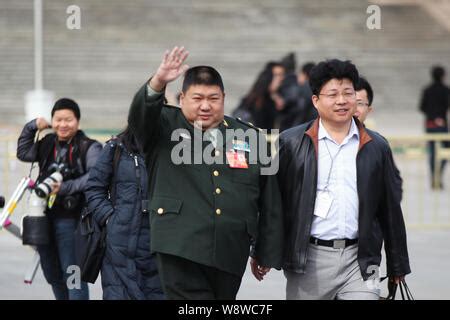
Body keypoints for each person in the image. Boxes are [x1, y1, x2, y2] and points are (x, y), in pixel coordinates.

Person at [127, 46, 283, 300]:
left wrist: (264, 250)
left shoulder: (250, 136)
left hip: (230, 249)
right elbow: (139, 117)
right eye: (197, 98)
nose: (205, 106)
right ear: (181, 99)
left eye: (213, 98)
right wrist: (158, 82)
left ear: (224, 98)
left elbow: (270, 200)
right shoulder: (163, 125)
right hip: (179, 246)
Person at [277, 59, 411, 300]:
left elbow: (389, 207)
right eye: (333, 94)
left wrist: (397, 263)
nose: (341, 100)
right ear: (316, 101)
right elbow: (275, 201)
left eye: (348, 93)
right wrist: (261, 251)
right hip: (309, 260)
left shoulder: (376, 146)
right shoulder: (292, 142)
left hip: (360, 260)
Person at [16, 98, 102, 300]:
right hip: (42, 218)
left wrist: (65, 188)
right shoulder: (47, 143)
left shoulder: (88, 147)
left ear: (77, 121)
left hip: (72, 220)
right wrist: (32, 126)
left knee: (72, 274)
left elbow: (95, 177)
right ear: (52, 121)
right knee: (53, 274)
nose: (63, 125)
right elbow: (23, 152)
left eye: (68, 119)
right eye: (58, 119)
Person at [84, 126, 165, 300]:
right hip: (119, 246)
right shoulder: (116, 148)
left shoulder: (172, 150)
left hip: (159, 247)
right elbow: (94, 188)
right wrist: (109, 218)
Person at [419, 65, 450, 189]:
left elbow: (421, 107)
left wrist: (431, 115)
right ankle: (439, 175)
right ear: (443, 75)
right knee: (446, 151)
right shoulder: (446, 90)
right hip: (442, 124)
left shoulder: (427, 90)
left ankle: (434, 176)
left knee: (432, 152)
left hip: (430, 124)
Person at [233, 61, 285, 130]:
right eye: (276, 75)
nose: (280, 79)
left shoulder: (280, 97)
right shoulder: (254, 101)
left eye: (282, 75)